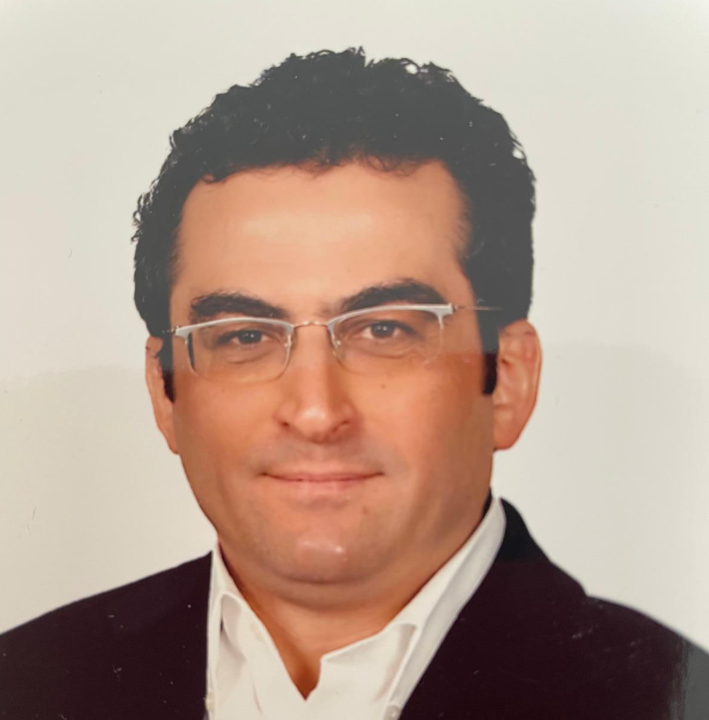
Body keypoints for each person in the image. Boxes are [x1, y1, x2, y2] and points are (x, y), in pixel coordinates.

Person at [1, 47, 707, 719]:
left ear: (508, 381)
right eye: (245, 336)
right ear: (165, 393)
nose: (315, 412)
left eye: (385, 331)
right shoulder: (25, 685)